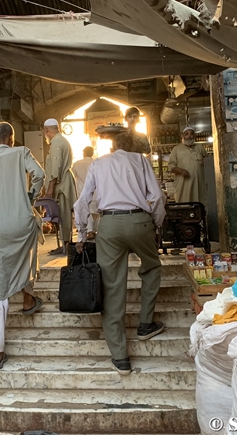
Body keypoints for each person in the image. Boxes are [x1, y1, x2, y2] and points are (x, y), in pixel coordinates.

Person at [73, 133, 167, 375]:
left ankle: (120, 357)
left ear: (113, 147)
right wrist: (155, 224)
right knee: (152, 266)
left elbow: (82, 201)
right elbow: (156, 197)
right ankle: (146, 324)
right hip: (139, 221)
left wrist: (82, 234)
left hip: (109, 225)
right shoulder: (141, 160)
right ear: (133, 147)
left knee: (112, 284)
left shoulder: (98, 163)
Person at [0, 122, 46, 370]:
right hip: (20, 222)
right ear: (11, 139)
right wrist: (29, 198)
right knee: (27, 253)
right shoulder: (21, 152)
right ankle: (27, 299)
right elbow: (40, 175)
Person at [42, 119, 77, 255]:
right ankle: (64, 245)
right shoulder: (60, 140)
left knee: (63, 215)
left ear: (46, 130)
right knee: (62, 215)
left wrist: (50, 188)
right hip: (62, 183)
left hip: (61, 185)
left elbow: (56, 167)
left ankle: (66, 245)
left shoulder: (57, 142)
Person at [167, 127, 206, 203]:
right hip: (183, 184)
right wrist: (180, 171)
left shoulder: (200, 147)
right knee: (185, 203)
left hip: (199, 183)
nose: (189, 136)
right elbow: (171, 167)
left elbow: (208, 161)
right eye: (186, 134)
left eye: (191, 134)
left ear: (194, 136)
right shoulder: (176, 149)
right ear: (182, 136)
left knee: (200, 204)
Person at [71, 146, 99, 240]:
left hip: (83, 191)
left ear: (84, 153)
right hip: (97, 191)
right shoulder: (97, 163)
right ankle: (94, 230)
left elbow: (72, 177)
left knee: (87, 211)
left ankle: (90, 231)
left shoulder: (77, 164)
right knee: (97, 212)